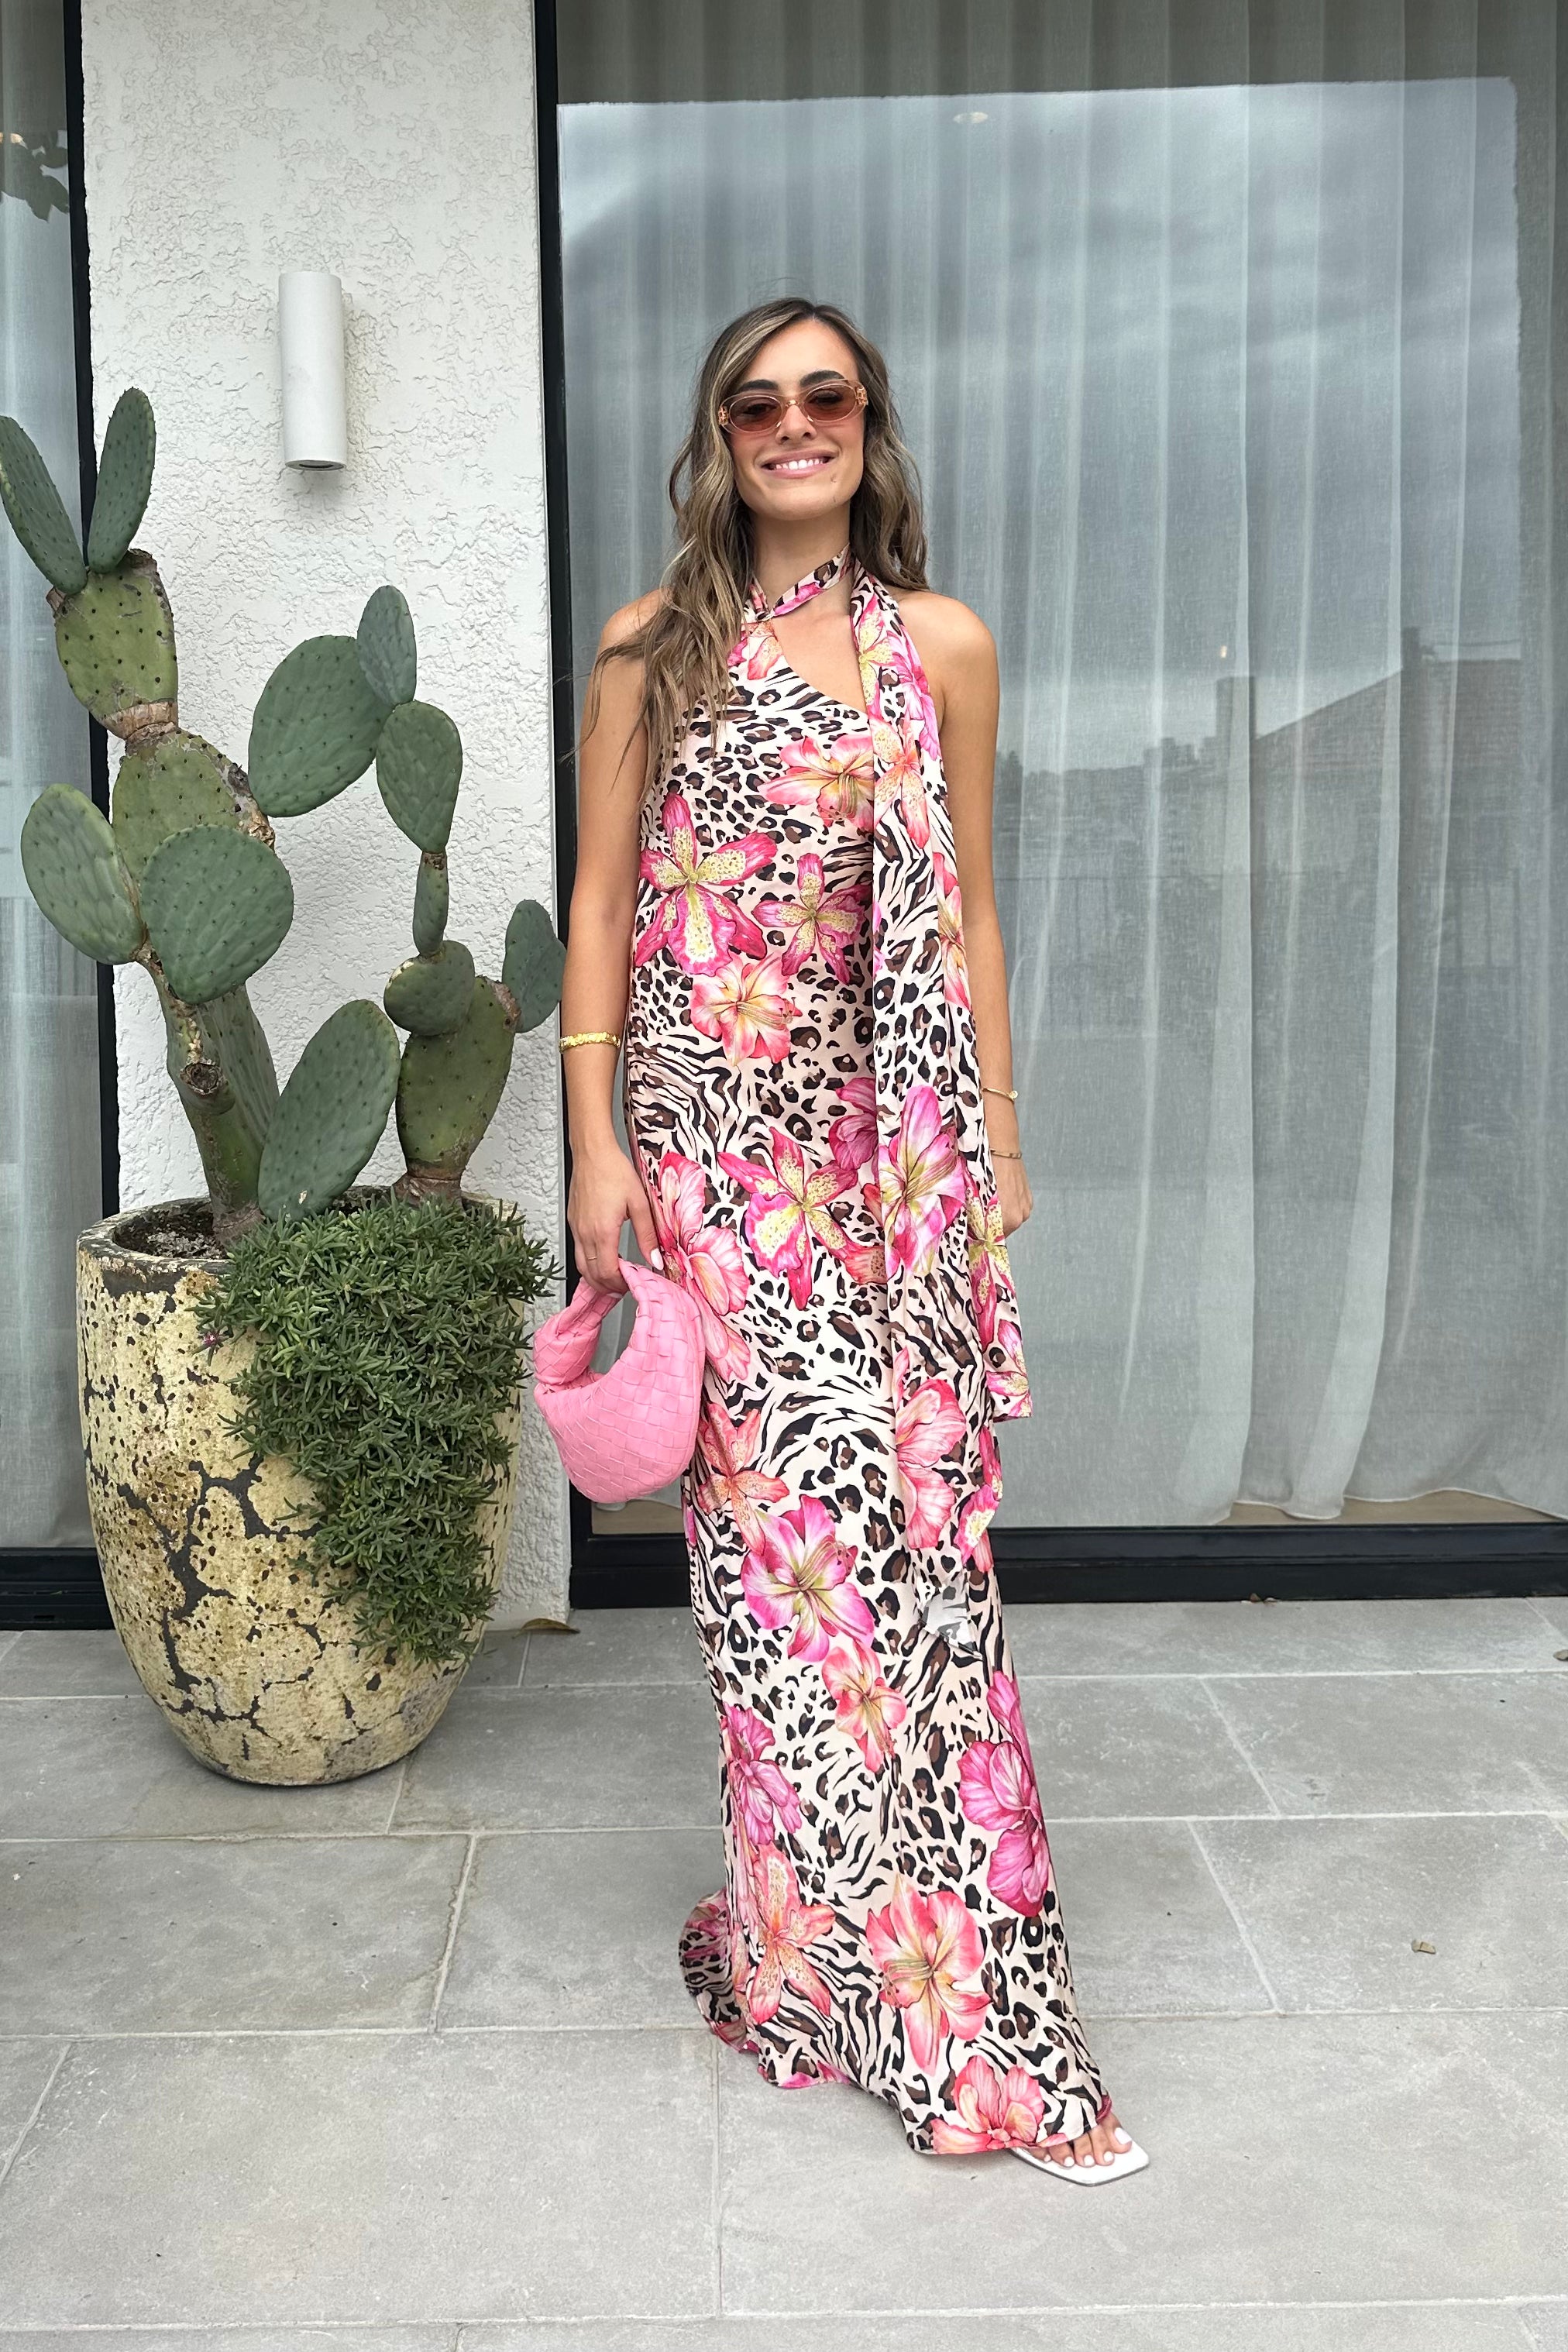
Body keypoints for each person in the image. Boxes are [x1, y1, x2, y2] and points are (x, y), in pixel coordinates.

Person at [559, 295, 1146, 2182]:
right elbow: (597, 906)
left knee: (919, 1574)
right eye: (757, 402)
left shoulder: (942, 645)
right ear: (719, 438)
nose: (792, 424)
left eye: (824, 396)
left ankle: (963, 2005)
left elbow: (967, 907)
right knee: (778, 1590)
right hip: (709, 1173)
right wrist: (591, 1153)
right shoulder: (651, 648)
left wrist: (1000, 1134)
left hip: (883, 1166)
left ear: (868, 424)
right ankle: (805, 1966)